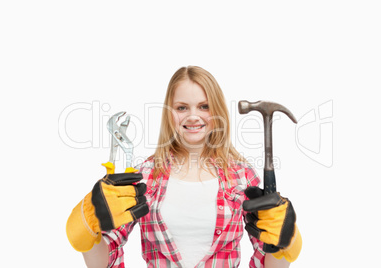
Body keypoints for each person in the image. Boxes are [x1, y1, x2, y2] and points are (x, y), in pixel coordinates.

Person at [66, 66, 302, 268]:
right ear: (170, 114)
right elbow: (105, 260)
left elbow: (267, 262)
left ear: (218, 111)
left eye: (204, 106)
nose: (193, 116)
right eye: (181, 108)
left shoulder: (241, 176)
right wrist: (87, 229)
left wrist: (284, 242)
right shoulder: (145, 176)